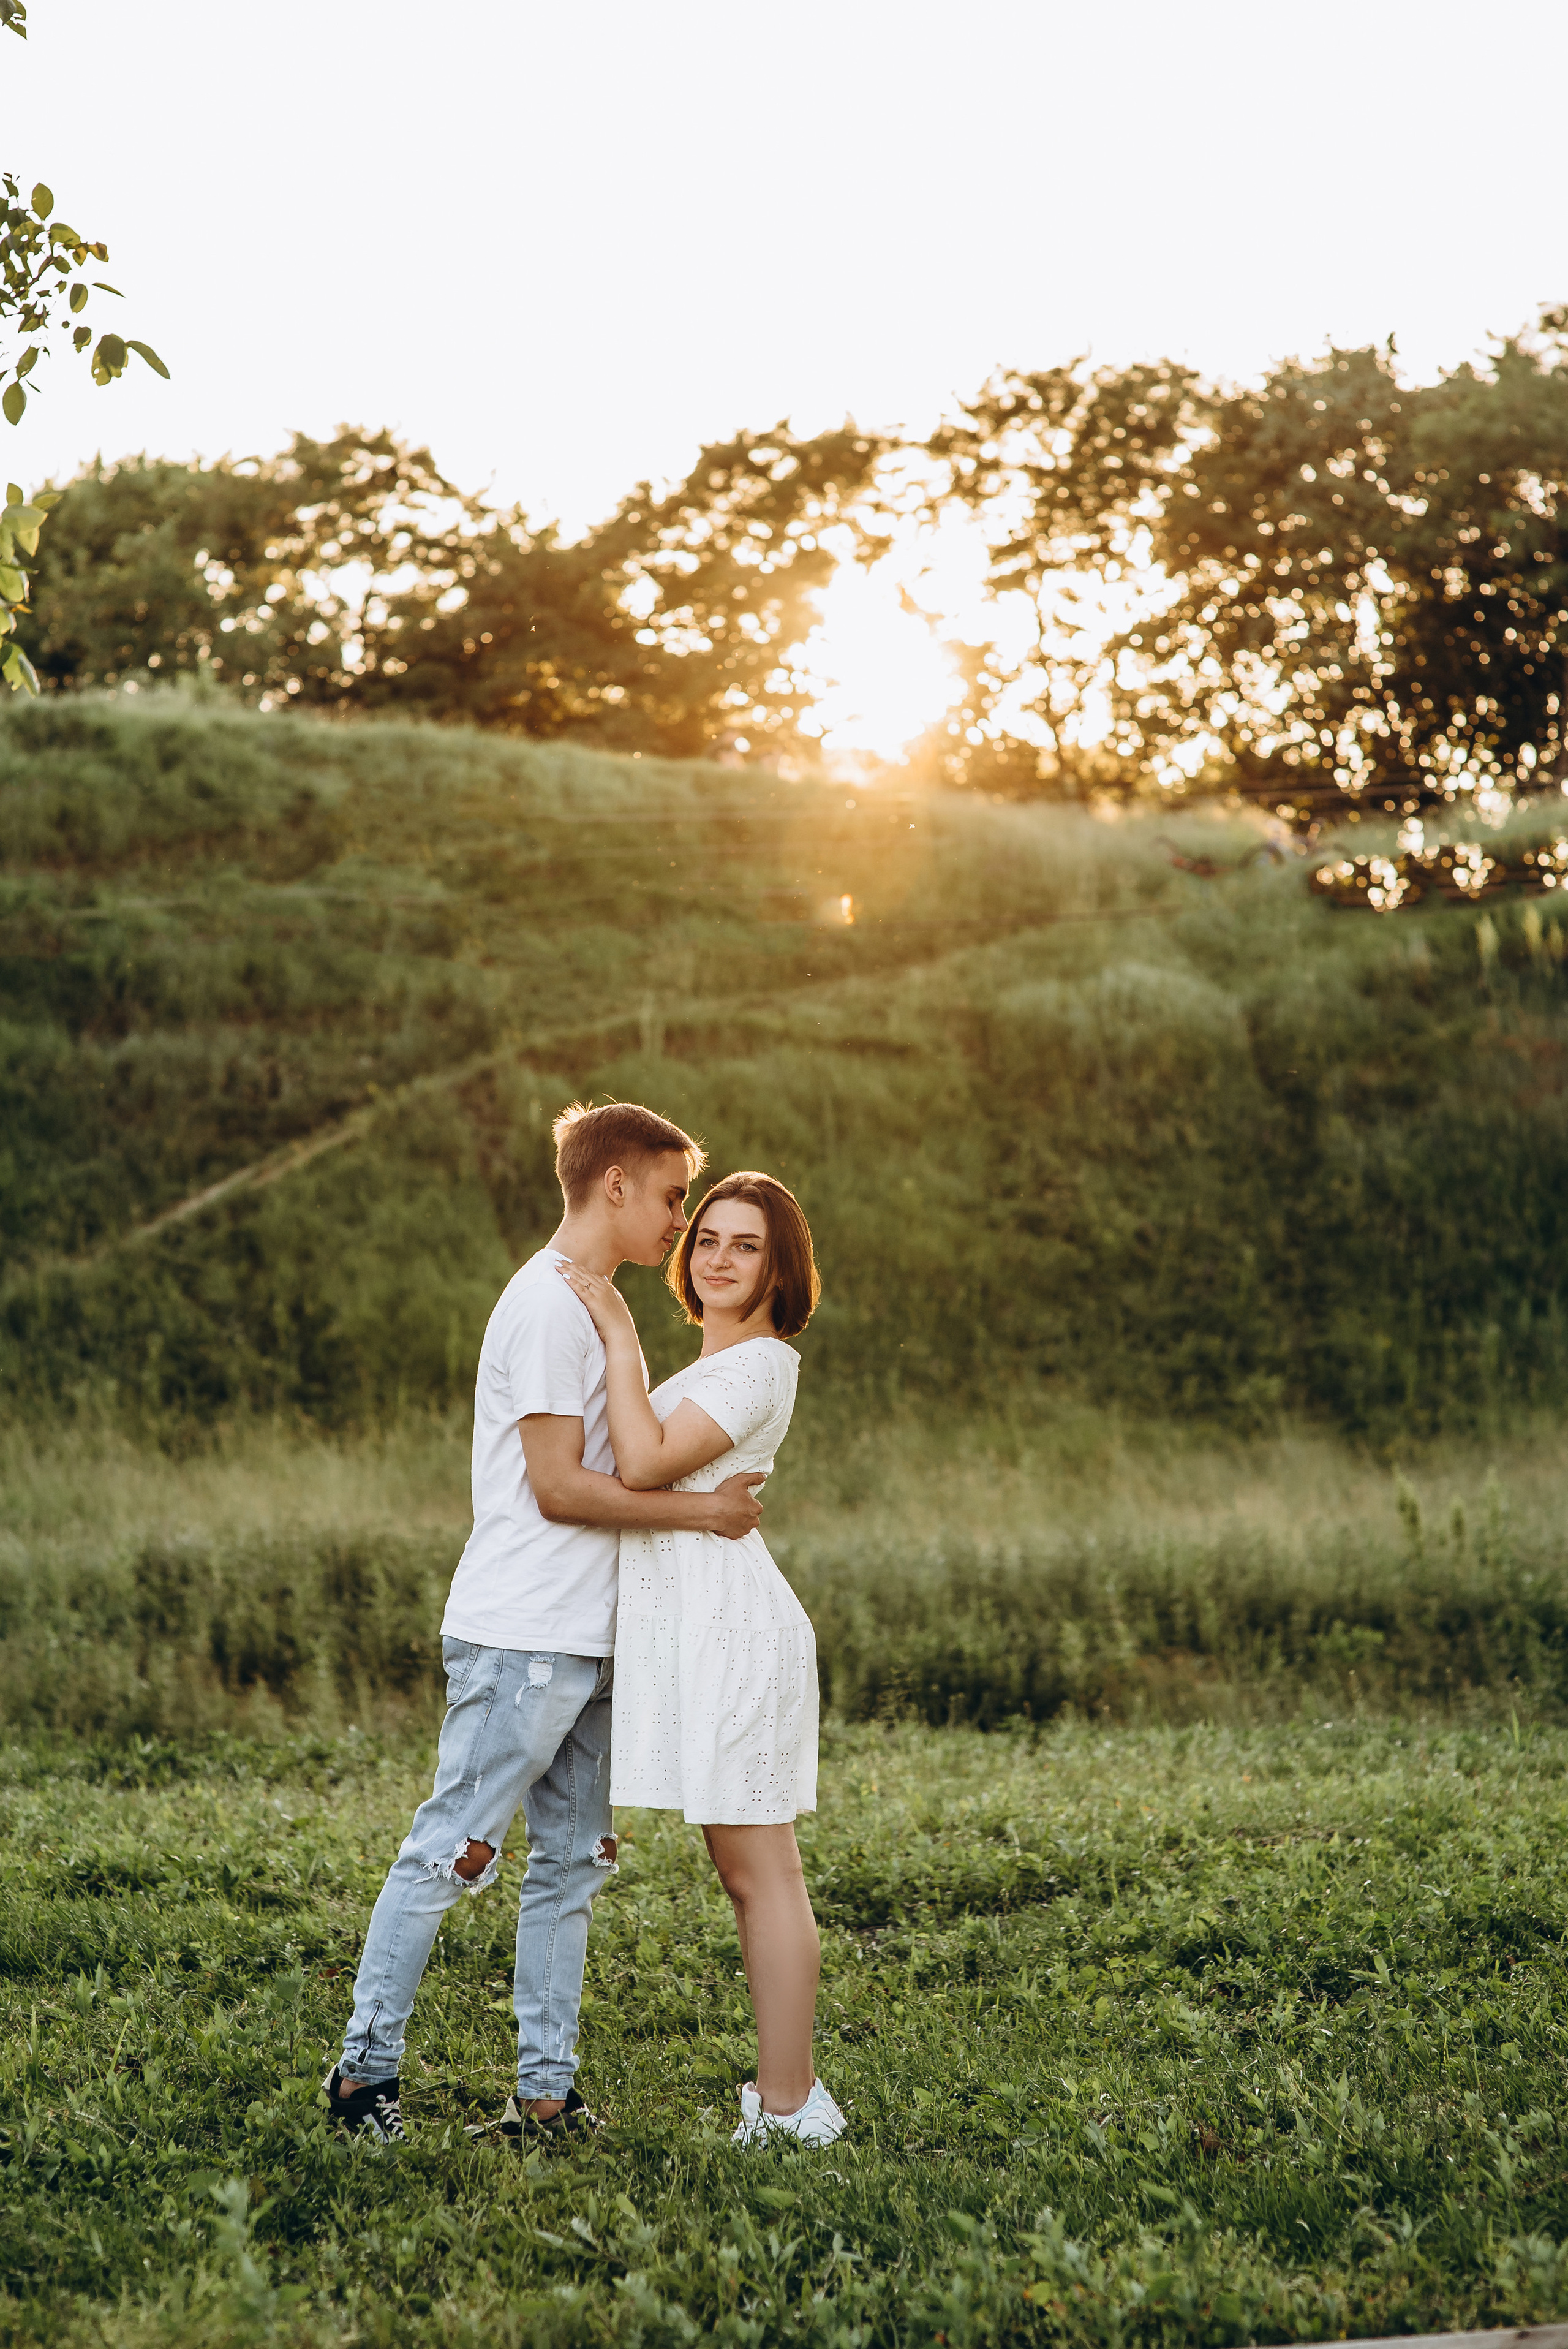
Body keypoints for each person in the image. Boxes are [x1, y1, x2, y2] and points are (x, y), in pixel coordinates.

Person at [323, 1101, 769, 2146]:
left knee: (573, 1867)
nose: (681, 1221)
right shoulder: (543, 1307)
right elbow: (559, 1487)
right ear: (615, 1184)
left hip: (591, 1639)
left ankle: (545, 2097)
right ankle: (362, 2081)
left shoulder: (593, 1308)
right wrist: (704, 1514)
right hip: (522, 1637)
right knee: (450, 1852)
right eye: (672, 1196)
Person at [559, 1170, 844, 2147]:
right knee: (747, 1872)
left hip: (737, 1632)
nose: (720, 1257)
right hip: (710, 1630)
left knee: (764, 1873)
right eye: (709, 1237)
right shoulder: (719, 1364)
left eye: (746, 1244)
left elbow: (642, 1464)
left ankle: (793, 2104)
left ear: (780, 1267)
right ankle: (785, 2096)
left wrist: (618, 1329)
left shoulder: (758, 1365)